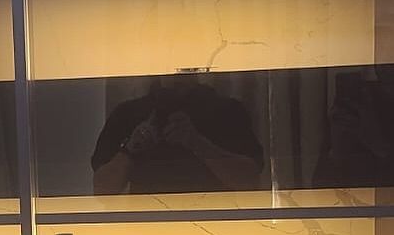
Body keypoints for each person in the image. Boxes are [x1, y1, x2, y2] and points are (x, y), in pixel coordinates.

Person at [91, 77, 264, 195]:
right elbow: (102, 189)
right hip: (148, 233)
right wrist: (132, 148)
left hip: (213, 227)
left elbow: (249, 182)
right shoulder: (129, 114)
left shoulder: (227, 112)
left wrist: (197, 143)